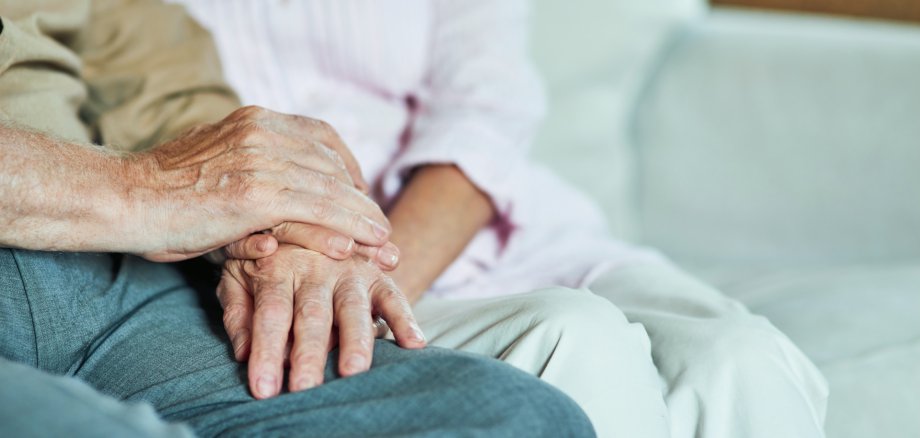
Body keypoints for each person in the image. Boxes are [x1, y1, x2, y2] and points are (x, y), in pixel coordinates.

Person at [171, 1, 831, 437]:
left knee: (741, 357)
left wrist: (370, 275)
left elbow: (487, 106)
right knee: (573, 341)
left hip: (483, 225)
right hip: (289, 256)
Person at [0, 1, 596, 436]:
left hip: (115, 283)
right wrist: (142, 190)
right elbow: (157, 182)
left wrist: (273, 218)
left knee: (523, 418)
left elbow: (166, 92)